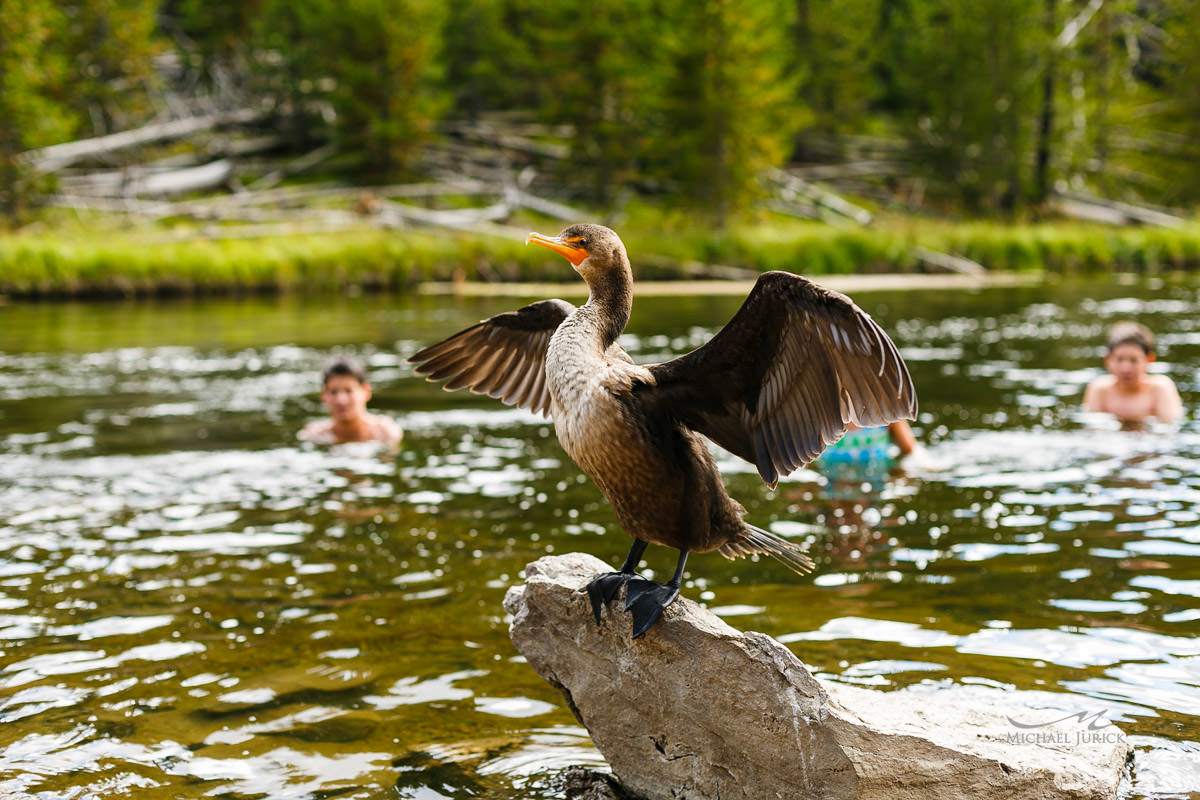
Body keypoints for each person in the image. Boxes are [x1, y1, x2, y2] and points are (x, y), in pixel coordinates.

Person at [1082, 322, 1183, 424]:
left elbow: (1169, 428)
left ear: (1149, 360)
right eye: (1120, 360)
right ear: (1108, 360)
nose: (1126, 368)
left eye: (1133, 360)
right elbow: (1092, 431)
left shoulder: (1160, 388)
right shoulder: (1100, 389)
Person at [299, 357, 403, 446]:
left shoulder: (386, 433)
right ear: (323, 395)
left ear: (366, 391)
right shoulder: (313, 435)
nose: (341, 400)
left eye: (348, 391)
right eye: (334, 392)